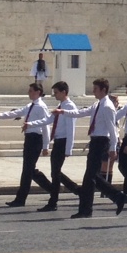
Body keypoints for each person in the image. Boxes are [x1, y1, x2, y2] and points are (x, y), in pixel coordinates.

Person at [0, 83, 52, 208]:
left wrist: (46, 146)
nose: (29, 93)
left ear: (38, 92)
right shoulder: (30, 106)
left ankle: (20, 199)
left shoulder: (41, 107)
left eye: (31, 91)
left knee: (27, 171)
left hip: (36, 139)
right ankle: (53, 189)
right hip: (29, 139)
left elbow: (46, 126)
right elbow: (16, 113)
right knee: (30, 170)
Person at [74, 77, 126, 217]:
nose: (93, 91)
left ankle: (87, 209)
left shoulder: (108, 106)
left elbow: (113, 129)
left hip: (102, 142)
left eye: (95, 89)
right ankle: (114, 198)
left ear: (103, 90)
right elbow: (81, 113)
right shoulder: (98, 104)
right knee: (91, 177)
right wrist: (62, 113)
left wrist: (113, 148)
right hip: (95, 141)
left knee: (90, 177)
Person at [44, 81, 83, 211]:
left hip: (63, 142)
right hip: (58, 142)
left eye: (56, 92)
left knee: (55, 173)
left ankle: (53, 201)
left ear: (63, 92)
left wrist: (68, 149)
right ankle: (77, 191)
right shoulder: (61, 105)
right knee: (55, 173)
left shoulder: (69, 107)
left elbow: (71, 128)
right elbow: (49, 120)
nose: (54, 95)